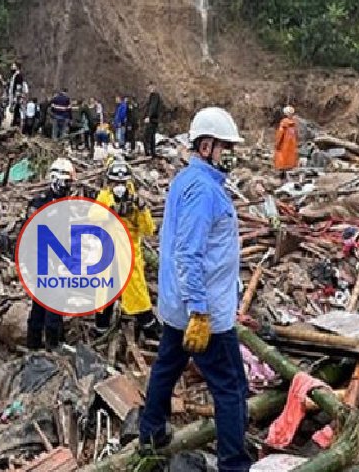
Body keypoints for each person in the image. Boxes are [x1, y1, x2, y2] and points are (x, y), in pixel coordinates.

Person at [139, 107, 249, 472]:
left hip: (177, 304)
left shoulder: (188, 180)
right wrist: (200, 310)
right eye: (224, 148)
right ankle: (234, 464)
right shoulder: (203, 190)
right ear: (206, 146)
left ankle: (151, 432)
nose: (228, 155)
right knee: (231, 388)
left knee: (167, 367)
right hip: (204, 313)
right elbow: (189, 254)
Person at [93, 158, 160, 340]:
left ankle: (151, 331)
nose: (119, 186)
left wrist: (141, 209)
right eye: (116, 182)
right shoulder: (104, 198)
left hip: (129, 256)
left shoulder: (135, 201)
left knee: (138, 296)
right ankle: (100, 332)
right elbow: (93, 218)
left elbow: (148, 229)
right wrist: (111, 210)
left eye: (122, 182)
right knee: (105, 296)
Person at [25, 158, 76, 350]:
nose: (68, 187)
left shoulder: (63, 204)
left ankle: (36, 345)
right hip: (40, 261)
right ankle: (51, 346)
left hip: (56, 261)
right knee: (52, 304)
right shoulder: (39, 204)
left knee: (42, 305)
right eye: (66, 183)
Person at [273, 106, 299, 174]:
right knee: (290, 161)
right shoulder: (294, 124)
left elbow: (280, 134)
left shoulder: (283, 123)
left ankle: (281, 172)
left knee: (281, 158)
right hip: (292, 146)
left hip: (283, 145)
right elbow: (296, 135)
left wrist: (277, 143)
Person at [143, 83, 163, 158]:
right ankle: (151, 152)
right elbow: (147, 107)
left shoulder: (155, 96)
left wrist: (149, 116)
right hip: (152, 119)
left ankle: (149, 152)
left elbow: (153, 107)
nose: (150, 89)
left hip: (152, 119)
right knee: (150, 136)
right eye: (149, 87)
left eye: (151, 87)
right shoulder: (151, 96)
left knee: (147, 136)